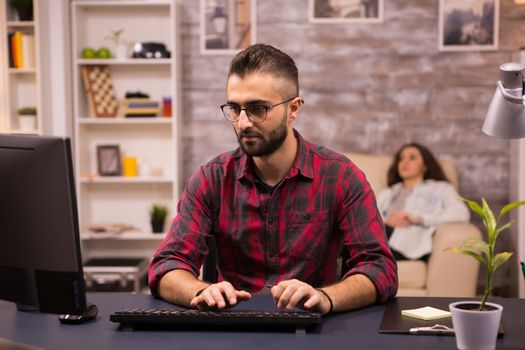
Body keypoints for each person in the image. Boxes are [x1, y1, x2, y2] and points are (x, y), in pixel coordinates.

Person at [148, 44, 397, 315]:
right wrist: (199, 290)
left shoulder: (341, 178)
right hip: (232, 329)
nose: (243, 123)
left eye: (257, 109)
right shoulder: (212, 179)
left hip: (312, 330)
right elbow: (165, 266)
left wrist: (325, 296)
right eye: (235, 108)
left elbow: (380, 269)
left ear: (293, 108)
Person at [376, 143, 470, 261]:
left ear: (425, 165)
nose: (405, 162)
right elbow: (370, 219)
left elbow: (461, 213)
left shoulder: (441, 188)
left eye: (412, 158)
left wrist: (417, 219)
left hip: (409, 243)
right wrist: (387, 222)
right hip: (382, 236)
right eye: (401, 159)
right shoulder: (387, 193)